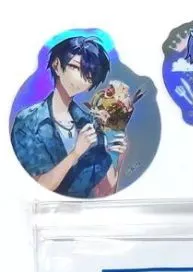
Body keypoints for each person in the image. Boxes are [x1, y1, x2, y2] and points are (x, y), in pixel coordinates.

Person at [11, 36, 127, 198]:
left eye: (89, 75)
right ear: (57, 65)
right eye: (75, 67)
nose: (80, 79)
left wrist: (117, 157)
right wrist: (75, 153)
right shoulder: (29, 121)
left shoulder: (90, 124)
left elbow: (105, 192)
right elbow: (38, 186)